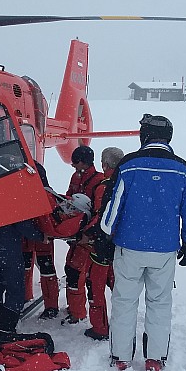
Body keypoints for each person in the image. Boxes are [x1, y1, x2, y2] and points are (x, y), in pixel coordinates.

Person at [100, 114, 186, 371]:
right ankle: (155, 359)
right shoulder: (182, 169)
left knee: (124, 301)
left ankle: (121, 357)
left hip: (129, 248)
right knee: (159, 302)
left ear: (144, 135)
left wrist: (105, 236)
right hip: (165, 251)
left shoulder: (129, 165)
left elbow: (112, 207)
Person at [74, 146, 125, 341]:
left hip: (102, 247)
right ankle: (122, 326)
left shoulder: (104, 186)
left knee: (95, 286)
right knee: (119, 289)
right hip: (121, 247)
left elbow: (101, 217)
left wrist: (86, 234)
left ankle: (100, 328)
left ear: (104, 164)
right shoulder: (127, 182)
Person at [61, 145, 104, 324]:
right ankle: (74, 308)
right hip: (77, 235)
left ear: (84, 162)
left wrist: (88, 233)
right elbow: (70, 196)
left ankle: (78, 314)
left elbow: (99, 212)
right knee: (70, 270)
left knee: (77, 273)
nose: (73, 166)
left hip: (88, 238)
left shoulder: (99, 181)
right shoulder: (76, 177)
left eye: (75, 163)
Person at [0, 219, 46, 338]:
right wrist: (41, 236)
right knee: (15, 290)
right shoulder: (11, 202)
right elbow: (23, 225)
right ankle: (6, 328)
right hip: (8, 249)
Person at [24, 162, 61, 319]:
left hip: (36, 237)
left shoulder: (42, 195)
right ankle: (47, 304)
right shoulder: (47, 194)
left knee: (43, 270)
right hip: (38, 237)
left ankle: (50, 306)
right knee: (44, 270)